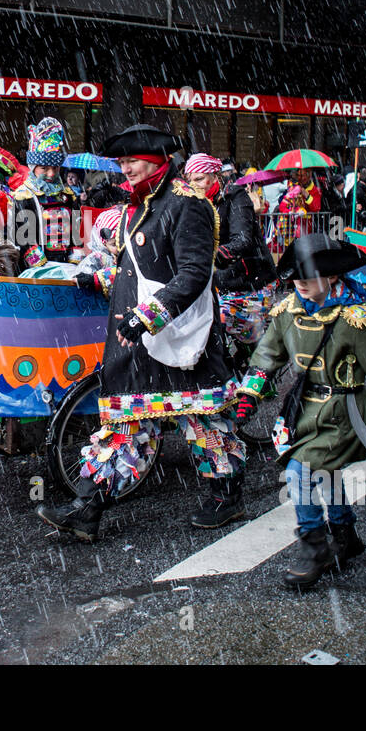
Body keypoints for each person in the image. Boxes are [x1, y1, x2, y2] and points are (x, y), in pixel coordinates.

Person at [36, 124, 245, 542]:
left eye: (132, 160)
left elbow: (192, 274)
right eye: (122, 161)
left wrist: (148, 316)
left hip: (182, 336)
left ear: (158, 160)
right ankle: (87, 507)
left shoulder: (189, 205)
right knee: (126, 424)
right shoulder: (136, 207)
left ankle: (227, 496)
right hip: (138, 340)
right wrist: (98, 280)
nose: (124, 168)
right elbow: (138, 272)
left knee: (203, 424)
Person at [234, 235, 366, 588]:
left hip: (345, 409)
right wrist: (250, 395)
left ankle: (314, 545)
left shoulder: (354, 321)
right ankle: (345, 534)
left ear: (334, 277)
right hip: (305, 407)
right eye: (296, 277)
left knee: (300, 471)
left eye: (309, 277)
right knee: (325, 472)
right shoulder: (286, 313)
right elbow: (266, 356)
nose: (301, 284)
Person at [185, 153, 275, 355]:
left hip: (251, 281)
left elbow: (243, 239)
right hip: (221, 282)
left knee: (249, 342)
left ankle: (259, 374)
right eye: (191, 180)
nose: (195, 185)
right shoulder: (199, 203)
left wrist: (213, 256)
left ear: (215, 176)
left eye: (200, 179)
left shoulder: (235, 196)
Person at [11, 117, 79, 264]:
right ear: (33, 167)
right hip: (38, 267)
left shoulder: (67, 195)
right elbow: (22, 237)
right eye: (44, 168)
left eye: (55, 168)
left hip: (67, 264)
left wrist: (75, 258)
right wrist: (40, 265)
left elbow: (76, 230)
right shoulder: (24, 196)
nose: (51, 174)